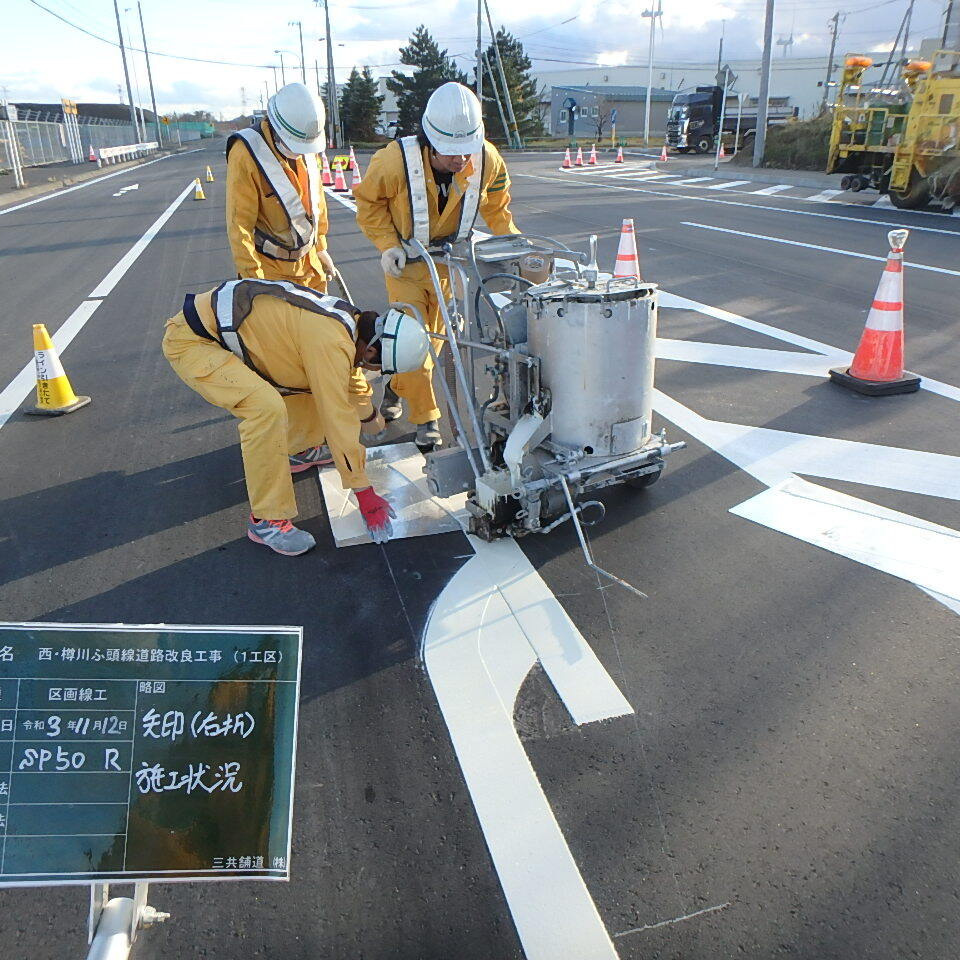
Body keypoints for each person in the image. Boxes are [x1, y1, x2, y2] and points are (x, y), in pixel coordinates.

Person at [162, 279, 429, 555]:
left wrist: (369, 415)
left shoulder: (350, 324)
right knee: (265, 409)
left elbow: (347, 376)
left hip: (220, 331)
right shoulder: (331, 342)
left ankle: (299, 449)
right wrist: (363, 491)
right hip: (194, 341)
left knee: (307, 380)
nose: (369, 368)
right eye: (375, 365)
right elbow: (336, 414)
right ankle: (266, 520)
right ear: (372, 349)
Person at [353, 81, 520, 451]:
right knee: (413, 341)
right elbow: (369, 205)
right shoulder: (393, 162)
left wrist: (514, 247)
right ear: (429, 141)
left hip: (448, 267)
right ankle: (427, 417)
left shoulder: (487, 159)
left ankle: (396, 389)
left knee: (433, 341)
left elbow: (497, 208)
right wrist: (387, 245)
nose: (460, 161)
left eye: (466, 152)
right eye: (450, 154)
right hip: (406, 267)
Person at [226, 82, 335, 292]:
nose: (300, 152)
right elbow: (239, 226)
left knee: (323, 322)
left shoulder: (307, 145)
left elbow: (316, 203)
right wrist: (255, 281)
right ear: (276, 127)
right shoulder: (246, 154)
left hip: (310, 266)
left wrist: (321, 249)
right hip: (270, 272)